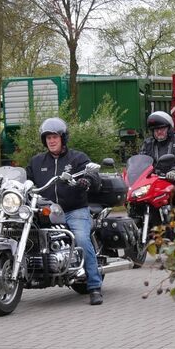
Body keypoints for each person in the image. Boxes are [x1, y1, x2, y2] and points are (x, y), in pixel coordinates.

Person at [29, 117, 104, 305]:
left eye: (55, 137)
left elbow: (93, 175)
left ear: (63, 138)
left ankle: (94, 286)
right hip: (46, 210)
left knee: (81, 239)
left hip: (74, 210)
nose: (51, 141)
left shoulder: (77, 158)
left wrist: (87, 181)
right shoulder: (37, 162)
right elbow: (26, 180)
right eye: (48, 138)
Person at [138, 111, 175, 222]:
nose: (159, 132)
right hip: (155, 181)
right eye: (156, 130)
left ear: (169, 128)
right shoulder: (148, 143)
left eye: (162, 128)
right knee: (139, 198)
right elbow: (141, 160)